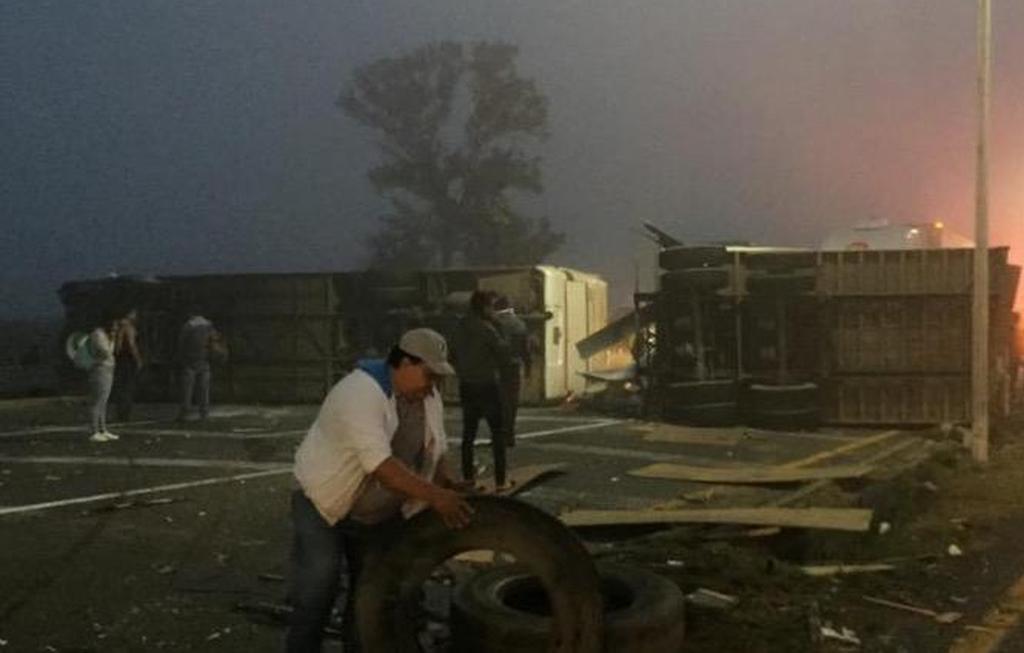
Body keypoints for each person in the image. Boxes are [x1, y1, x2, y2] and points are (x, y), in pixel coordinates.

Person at [286, 328, 473, 652]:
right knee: (319, 588)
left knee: (369, 599)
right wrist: (436, 497)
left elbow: (436, 448)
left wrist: (449, 481)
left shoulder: (428, 397)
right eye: (429, 375)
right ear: (403, 363)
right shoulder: (360, 392)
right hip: (322, 502)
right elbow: (383, 468)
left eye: (438, 378)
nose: (434, 385)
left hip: (376, 513)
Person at [452, 290, 514, 488]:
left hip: (466, 385)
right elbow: (504, 354)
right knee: (497, 433)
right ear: (485, 307)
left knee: (468, 433)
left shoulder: (460, 327)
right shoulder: (488, 329)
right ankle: (500, 480)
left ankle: (468, 478)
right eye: (492, 307)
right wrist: (499, 325)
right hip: (487, 385)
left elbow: (452, 354)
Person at [492, 295, 531, 448]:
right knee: (511, 402)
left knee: (496, 403)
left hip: (496, 367)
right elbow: (525, 349)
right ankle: (509, 436)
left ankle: (498, 435)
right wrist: (528, 367)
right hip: (513, 367)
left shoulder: (493, 324)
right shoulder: (519, 324)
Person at [176, 306, 218, 422]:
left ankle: (184, 413)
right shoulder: (208, 325)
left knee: (187, 390)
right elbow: (214, 340)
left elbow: (181, 343)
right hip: (204, 360)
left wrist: (181, 357)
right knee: (204, 390)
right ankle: (204, 413)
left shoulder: (188, 325)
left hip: (190, 361)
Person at [86, 315, 120, 442]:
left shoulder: (105, 335)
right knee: (97, 401)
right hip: (99, 369)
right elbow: (106, 352)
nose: (116, 328)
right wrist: (112, 339)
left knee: (104, 401)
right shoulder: (98, 334)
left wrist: (112, 339)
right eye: (115, 325)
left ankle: (103, 429)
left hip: (108, 369)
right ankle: (94, 430)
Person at [112, 308, 143, 422]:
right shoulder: (128, 327)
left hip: (119, 358)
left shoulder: (117, 326)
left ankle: (120, 411)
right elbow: (131, 344)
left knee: (120, 386)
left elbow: (117, 344)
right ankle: (125, 412)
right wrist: (138, 359)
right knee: (128, 386)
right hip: (127, 359)